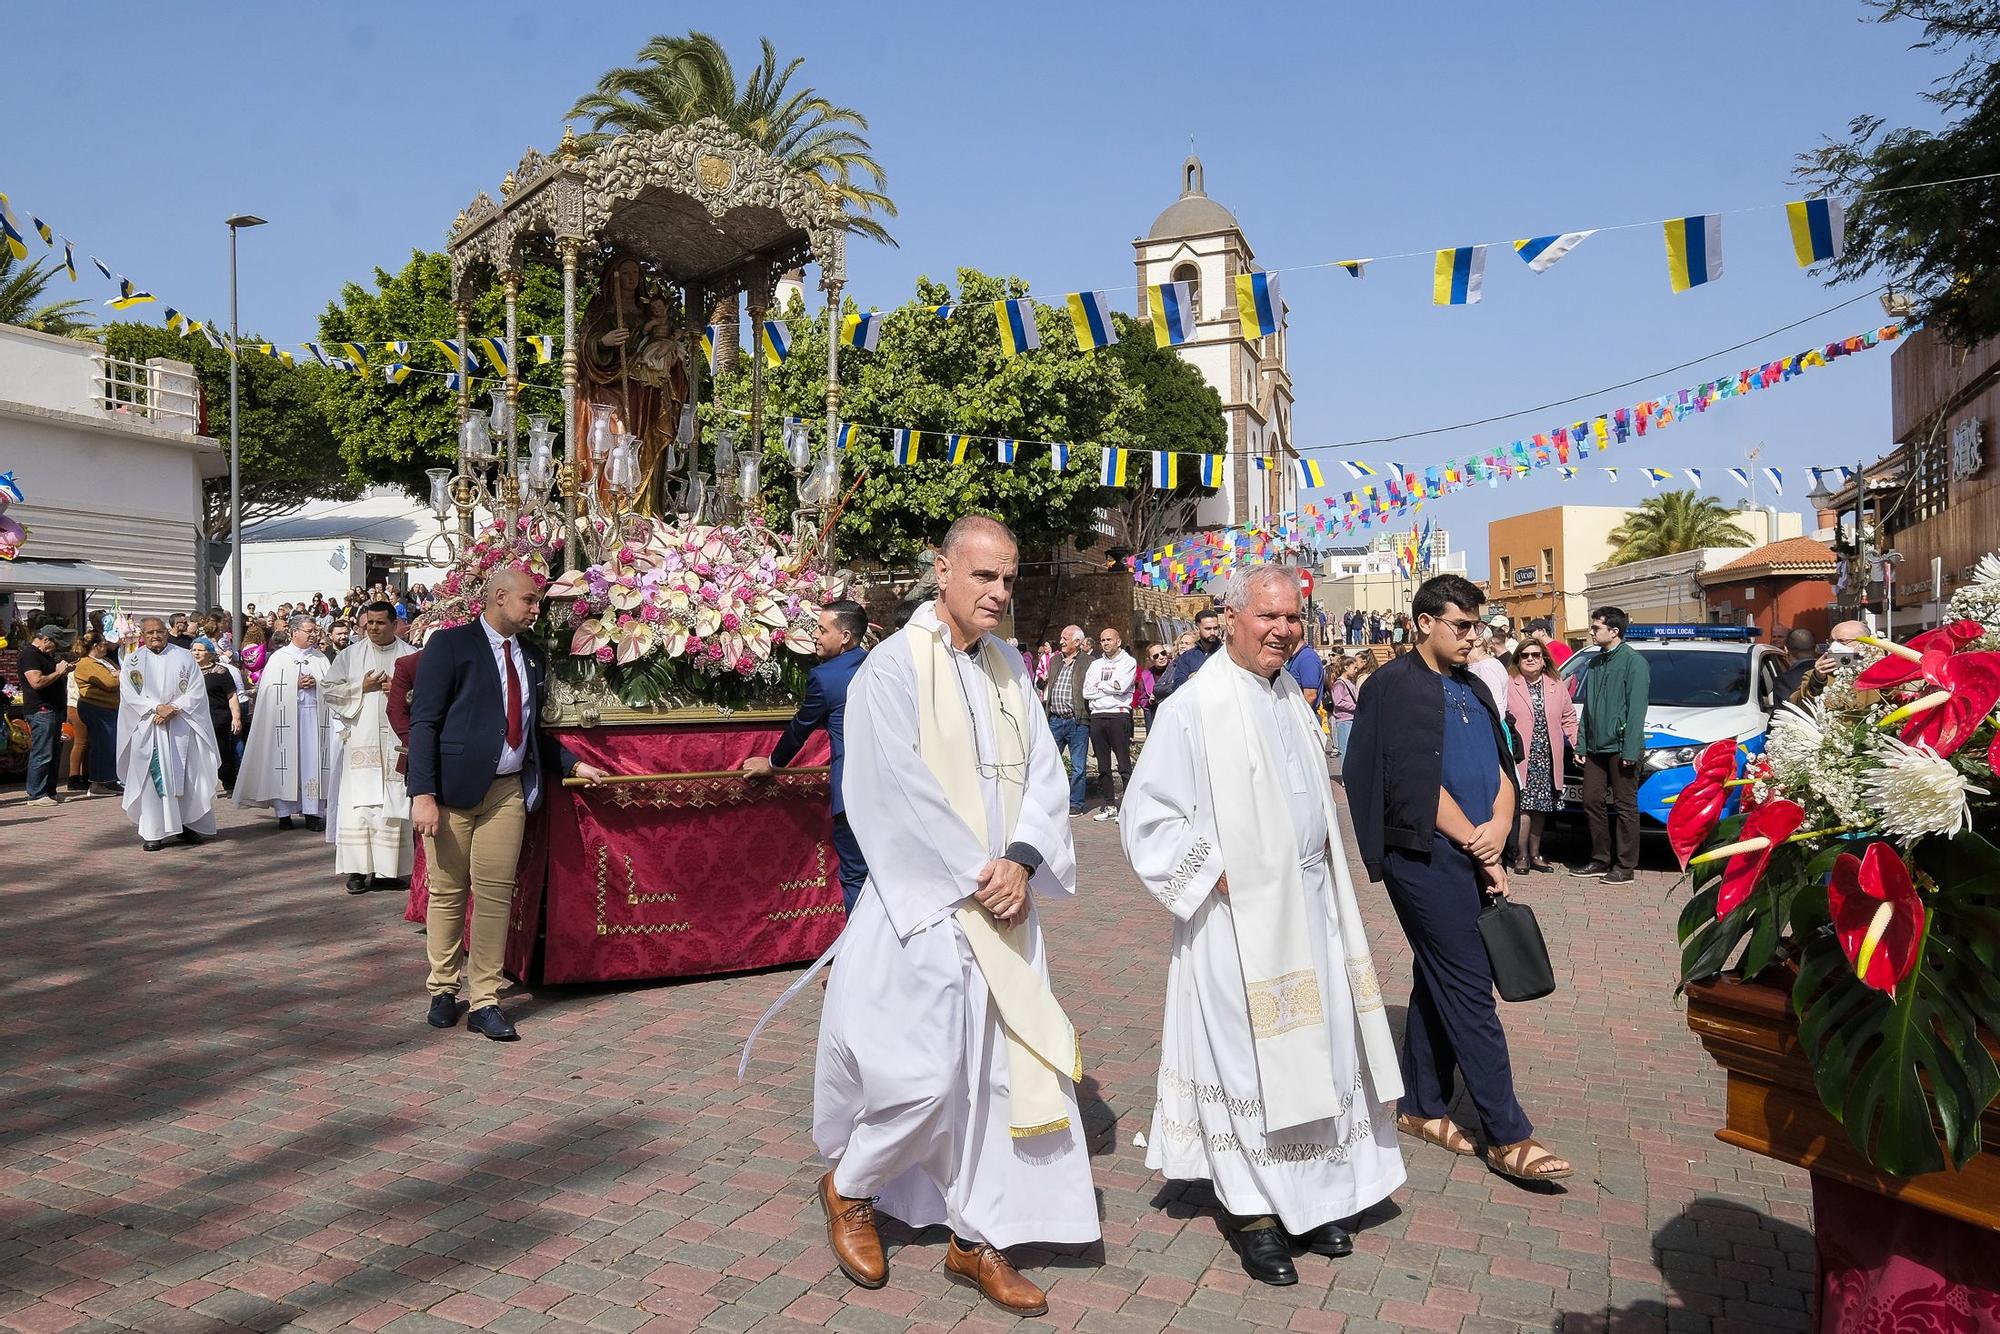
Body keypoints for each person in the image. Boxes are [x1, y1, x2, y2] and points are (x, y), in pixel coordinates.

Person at [801, 515, 1093, 1317]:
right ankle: (849, 1187)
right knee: (922, 1080)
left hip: (1004, 907)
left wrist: (1023, 860)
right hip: (922, 911)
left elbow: (1043, 772)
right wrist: (978, 873)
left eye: (1009, 578)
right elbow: (890, 792)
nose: (1000, 592)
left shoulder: (1010, 667)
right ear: (942, 571)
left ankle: (978, 1238)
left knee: (998, 1081)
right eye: (984, 577)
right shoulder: (891, 670)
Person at [1120, 566, 1405, 1286]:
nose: (1282, 629)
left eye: (1293, 618)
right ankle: (1254, 1214)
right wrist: (1211, 869)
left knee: (1322, 1052)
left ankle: (1311, 1199)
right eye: (1268, 617)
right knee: (1249, 1062)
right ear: (1234, 617)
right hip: (1237, 922)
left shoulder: (1288, 698)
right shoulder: (1195, 705)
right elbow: (1147, 816)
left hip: (1309, 909)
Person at [1346, 574, 1571, 1186]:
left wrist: (1499, 826)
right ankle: (1507, 1132)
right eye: (1462, 626)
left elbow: (1503, 762)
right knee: (1470, 983)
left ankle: (1421, 1105)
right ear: (1424, 622)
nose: (1475, 637)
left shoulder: (1473, 683)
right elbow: (1404, 779)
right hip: (1422, 854)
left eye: (1477, 626)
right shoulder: (1394, 687)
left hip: (1477, 849)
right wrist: (1477, 842)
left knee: (1440, 974)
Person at [408, 568, 606, 1040]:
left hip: (506, 791)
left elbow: (533, 730)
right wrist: (423, 794)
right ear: (499, 597)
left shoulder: (532, 657)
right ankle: (442, 988)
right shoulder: (450, 646)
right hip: (452, 792)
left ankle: (485, 1000)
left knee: (496, 895)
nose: (536, 609)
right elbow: (424, 724)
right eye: (530, 600)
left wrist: (573, 765)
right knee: (449, 891)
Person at [742, 600, 870, 912]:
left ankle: (862, 955)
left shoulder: (825, 678)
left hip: (852, 796)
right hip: (890, 792)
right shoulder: (877, 664)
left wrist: (773, 764)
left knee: (855, 876)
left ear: (845, 637)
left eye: (822, 630)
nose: (814, 635)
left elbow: (800, 728)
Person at [322, 602, 418, 894]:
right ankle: (356, 871)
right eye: (369, 623)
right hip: (362, 744)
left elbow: (427, 694)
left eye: (379, 623)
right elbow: (328, 689)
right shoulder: (350, 656)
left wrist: (402, 693)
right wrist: (359, 687)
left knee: (393, 804)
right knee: (360, 808)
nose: (373, 628)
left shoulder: (411, 655)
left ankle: (388, 871)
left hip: (395, 743)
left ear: (395, 624)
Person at [117, 616, 223, 851]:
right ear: (142, 636)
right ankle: (154, 832)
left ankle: (188, 825)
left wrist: (175, 708)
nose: (156, 636)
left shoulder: (184, 656)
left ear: (167, 632)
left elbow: (196, 689)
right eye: (150, 632)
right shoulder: (133, 661)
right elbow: (129, 696)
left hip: (181, 726)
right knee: (152, 780)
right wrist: (157, 708)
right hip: (149, 728)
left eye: (160, 631)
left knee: (187, 775)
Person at [1573, 606, 1649, 886]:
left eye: (1596, 628)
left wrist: (1630, 749)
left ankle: (1625, 865)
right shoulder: (1594, 663)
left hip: (1620, 747)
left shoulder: (1634, 662)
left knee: (1625, 805)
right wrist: (1581, 745)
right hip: (1594, 747)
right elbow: (1588, 709)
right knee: (1591, 800)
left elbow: (1636, 710)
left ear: (1614, 631)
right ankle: (1600, 858)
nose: (1591, 632)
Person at [235, 616, 333, 831]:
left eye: (315, 630)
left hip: (314, 719)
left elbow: (332, 688)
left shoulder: (320, 659)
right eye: (309, 630)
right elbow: (267, 690)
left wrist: (316, 684)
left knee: (311, 764)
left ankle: (313, 813)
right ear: (294, 632)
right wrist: (294, 684)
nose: (314, 634)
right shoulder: (279, 658)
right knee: (284, 763)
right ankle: (284, 812)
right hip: (284, 720)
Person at [1505, 641, 1579, 875]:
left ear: (1544, 658)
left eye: (1535, 654)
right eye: (1524, 655)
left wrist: (1577, 745)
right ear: (1517, 660)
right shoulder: (1509, 684)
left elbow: (1569, 717)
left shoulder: (1555, 685)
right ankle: (1521, 854)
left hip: (1547, 755)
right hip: (1521, 756)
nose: (1530, 659)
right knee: (1524, 806)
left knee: (1541, 806)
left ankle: (1536, 853)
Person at [1085, 627, 1137, 821]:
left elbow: (1122, 686)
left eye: (1109, 639)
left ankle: (1129, 806)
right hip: (1098, 715)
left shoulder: (1128, 662)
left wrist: (1101, 687)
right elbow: (1086, 691)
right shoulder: (1095, 665)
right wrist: (1110, 688)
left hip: (1119, 714)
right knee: (1103, 766)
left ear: (1118, 641)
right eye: (1102, 640)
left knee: (1123, 763)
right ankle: (1109, 806)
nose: (1105, 643)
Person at [18, 623, 73, 806]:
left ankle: (49, 790)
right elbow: (36, 682)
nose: (56, 648)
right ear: (45, 639)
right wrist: (58, 672)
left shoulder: (45, 655)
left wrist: (63, 671)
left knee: (54, 752)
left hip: (54, 708)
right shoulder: (29, 655)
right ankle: (35, 794)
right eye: (54, 643)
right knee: (43, 752)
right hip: (41, 710)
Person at [1040, 625, 1092, 816]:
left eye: (1065, 638)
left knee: (1078, 766)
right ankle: (1050, 801)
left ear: (1077, 642)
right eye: (1061, 638)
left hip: (1077, 721)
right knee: (1049, 764)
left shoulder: (1088, 662)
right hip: (1055, 720)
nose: (1061, 641)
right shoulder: (1055, 661)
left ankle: (1076, 803)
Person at [191, 639, 243, 792]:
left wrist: (236, 717)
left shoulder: (221, 672)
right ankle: (201, 785)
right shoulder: (187, 672)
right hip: (195, 719)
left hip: (218, 718)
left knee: (221, 752)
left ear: (210, 653)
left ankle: (229, 783)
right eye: (194, 650)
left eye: (200, 650)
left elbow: (232, 695)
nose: (196, 653)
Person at [73, 633, 122, 794]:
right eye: (103, 643)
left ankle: (110, 779)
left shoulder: (105, 661)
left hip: (110, 708)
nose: (106, 646)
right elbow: (110, 682)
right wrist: (118, 676)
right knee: (102, 744)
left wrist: (119, 674)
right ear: (95, 646)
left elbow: (119, 673)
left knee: (111, 744)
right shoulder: (86, 663)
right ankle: (98, 782)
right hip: (96, 708)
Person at [1789, 619, 1869, 705]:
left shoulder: (1878, 671)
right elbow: (1797, 706)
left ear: (1863, 644)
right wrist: (1817, 680)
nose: (1833, 646)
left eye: (1842, 641)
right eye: (1831, 641)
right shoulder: (1819, 675)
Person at [1161, 609, 1223, 696]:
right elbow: (1177, 685)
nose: (1213, 632)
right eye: (1208, 629)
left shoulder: (1226, 653)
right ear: (1197, 629)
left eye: (1215, 628)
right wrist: (1191, 679)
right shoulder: (1187, 657)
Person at [1771, 626, 1819, 709]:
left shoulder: (1784, 680)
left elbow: (1781, 713)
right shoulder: (1830, 674)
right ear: (1816, 648)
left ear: (1787, 649)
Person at [1327, 656, 1364, 760]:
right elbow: (1339, 702)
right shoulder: (1339, 683)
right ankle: (1345, 774)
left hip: (1352, 718)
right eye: (1354, 668)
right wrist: (1355, 706)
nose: (1356, 670)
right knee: (1345, 749)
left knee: (1352, 749)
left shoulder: (1350, 682)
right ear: (1346, 667)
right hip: (1344, 720)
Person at [1140, 643, 1170, 727]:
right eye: (1156, 656)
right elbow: (1142, 699)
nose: (1161, 657)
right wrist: (1150, 701)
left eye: (1163, 653)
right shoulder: (1146, 676)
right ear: (1149, 659)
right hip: (1156, 713)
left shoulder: (1176, 667)